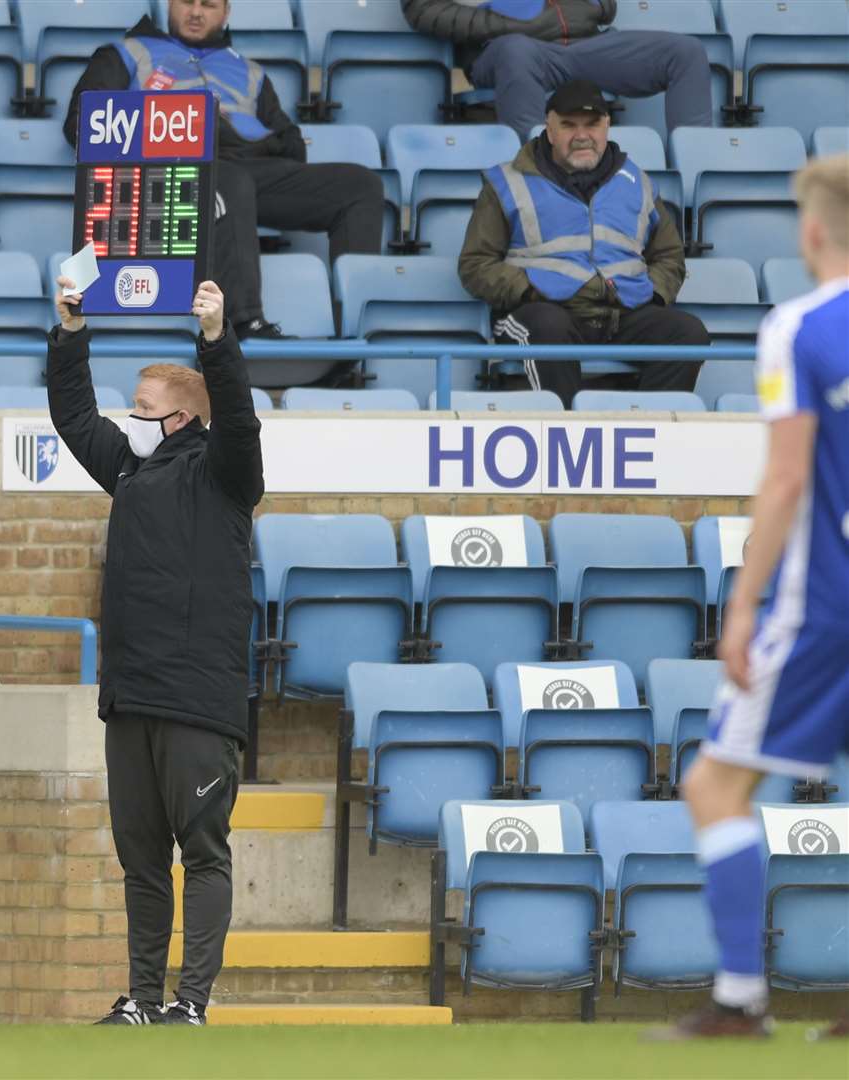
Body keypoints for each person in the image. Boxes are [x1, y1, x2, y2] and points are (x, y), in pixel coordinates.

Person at [661, 155, 849, 1041]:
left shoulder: (800, 327)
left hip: (823, 606)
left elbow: (783, 483)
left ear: (812, 233)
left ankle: (741, 997)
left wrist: (743, 605)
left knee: (714, 783)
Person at [47, 277, 263, 1025]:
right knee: (141, 861)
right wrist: (70, 336)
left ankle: (190, 1003)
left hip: (198, 702)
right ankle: (141, 998)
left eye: (140, 411)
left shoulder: (227, 474)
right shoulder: (132, 469)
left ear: (178, 419)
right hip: (131, 695)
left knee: (202, 854)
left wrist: (215, 341)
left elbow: (237, 418)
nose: (128, 421)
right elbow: (74, 418)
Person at [62, 0, 385, 339]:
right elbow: (82, 125)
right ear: (170, 5)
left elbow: (291, 146)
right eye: (187, 2)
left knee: (360, 186)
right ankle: (242, 328)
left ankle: (359, 333)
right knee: (230, 180)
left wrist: (242, 136)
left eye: (209, 4)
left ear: (226, 12)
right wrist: (184, 124)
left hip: (251, 165)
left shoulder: (249, 71)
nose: (197, 12)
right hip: (175, 168)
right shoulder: (125, 53)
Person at [459, 79, 706, 408]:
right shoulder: (506, 182)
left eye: (592, 124)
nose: (581, 136)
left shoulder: (638, 182)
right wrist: (531, 290)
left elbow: (669, 256)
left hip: (622, 312)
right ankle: (569, 434)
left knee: (688, 334)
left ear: (607, 127)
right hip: (541, 311)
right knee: (549, 329)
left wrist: (651, 293)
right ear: (549, 129)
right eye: (568, 125)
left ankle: (648, 431)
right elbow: (475, 265)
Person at [403, 0, 713, 139]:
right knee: (517, 50)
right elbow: (421, 8)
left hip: (586, 45)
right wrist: (508, 25)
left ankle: (692, 174)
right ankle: (536, 177)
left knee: (685, 52)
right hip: (507, 47)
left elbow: (606, 6)